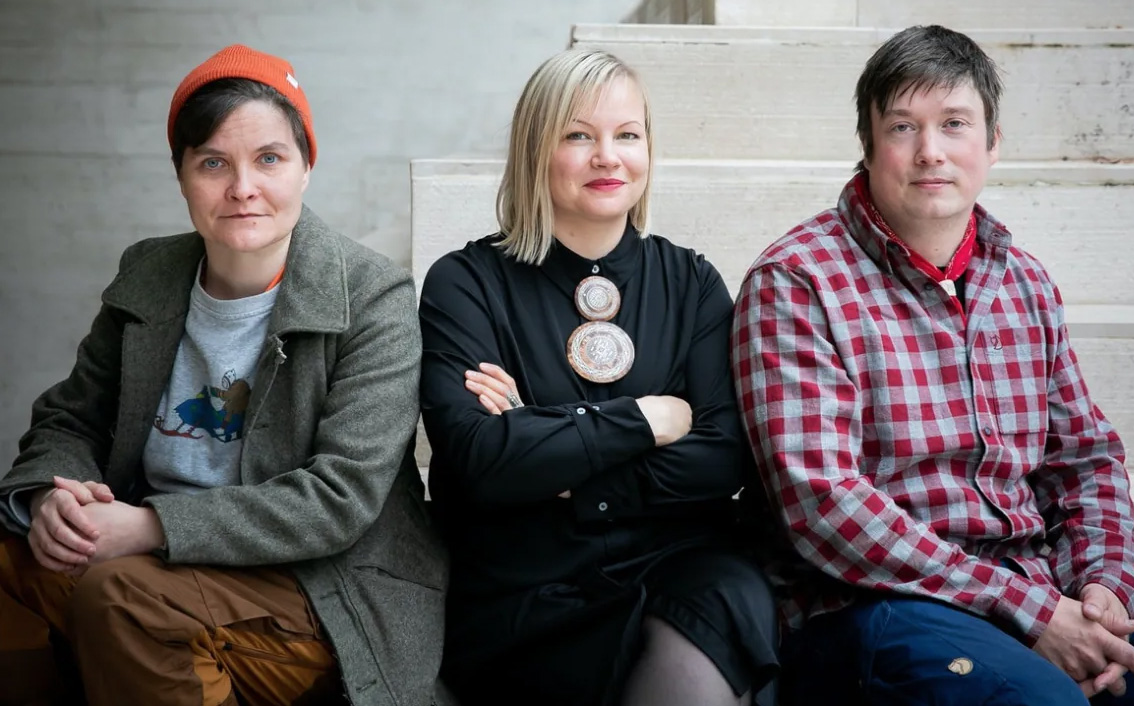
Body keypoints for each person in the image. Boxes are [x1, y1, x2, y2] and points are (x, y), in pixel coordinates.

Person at [731, 24, 1134, 705]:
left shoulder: (1022, 282)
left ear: (991, 143)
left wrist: (1101, 594)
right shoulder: (797, 280)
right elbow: (823, 503)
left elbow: (1083, 462)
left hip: (1038, 589)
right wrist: (1030, 616)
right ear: (868, 143)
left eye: (954, 124)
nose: (930, 152)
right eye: (903, 126)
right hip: (870, 604)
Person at [0, 44, 446, 706]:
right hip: (158, 565)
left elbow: (338, 500)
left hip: (318, 583)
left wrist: (149, 526)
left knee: (121, 598)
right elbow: (71, 418)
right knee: (16, 561)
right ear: (181, 174)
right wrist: (51, 500)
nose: (243, 188)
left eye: (269, 158)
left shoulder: (372, 297)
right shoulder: (148, 274)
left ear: (305, 167)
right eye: (213, 162)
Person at [418, 48, 779, 706]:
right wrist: (649, 419)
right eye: (578, 135)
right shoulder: (465, 284)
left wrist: (554, 454)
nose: (607, 157)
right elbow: (478, 459)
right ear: (535, 148)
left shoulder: (691, 282)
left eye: (627, 135)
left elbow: (722, 458)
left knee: (707, 633)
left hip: (682, 560)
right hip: (528, 582)